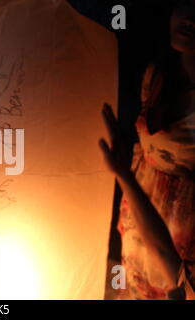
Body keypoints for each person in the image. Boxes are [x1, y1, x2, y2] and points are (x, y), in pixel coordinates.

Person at [99, 0, 195, 299]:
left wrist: (123, 175)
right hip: (139, 209)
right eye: (185, 3)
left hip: (179, 236)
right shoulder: (156, 76)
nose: (190, 18)